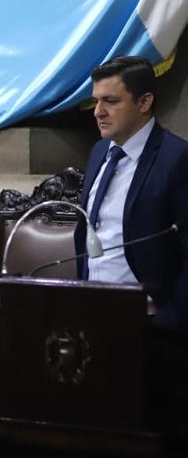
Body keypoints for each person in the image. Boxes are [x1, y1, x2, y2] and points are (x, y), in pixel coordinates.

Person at [76, 56, 188, 331]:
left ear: (144, 102)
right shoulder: (99, 152)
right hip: (90, 315)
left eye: (110, 101)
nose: (98, 112)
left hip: (148, 325)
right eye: (96, 101)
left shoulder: (177, 159)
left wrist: (168, 319)